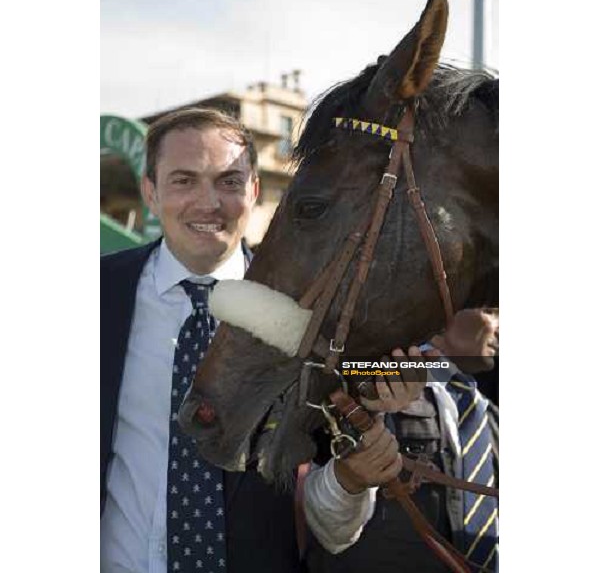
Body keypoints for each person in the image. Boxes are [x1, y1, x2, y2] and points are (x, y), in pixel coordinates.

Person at [101, 108, 302, 573]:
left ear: (254, 190)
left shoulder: (301, 312)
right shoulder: (95, 295)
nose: (208, 202)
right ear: (150, 192)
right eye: (184, 181)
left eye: (229, 181)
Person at [303, 309, 500, 573]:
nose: (500, 325)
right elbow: (325, 525)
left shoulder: (489, 414)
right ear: (441, 320)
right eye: (490, 311)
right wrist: (350, 477)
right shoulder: (352, 388)